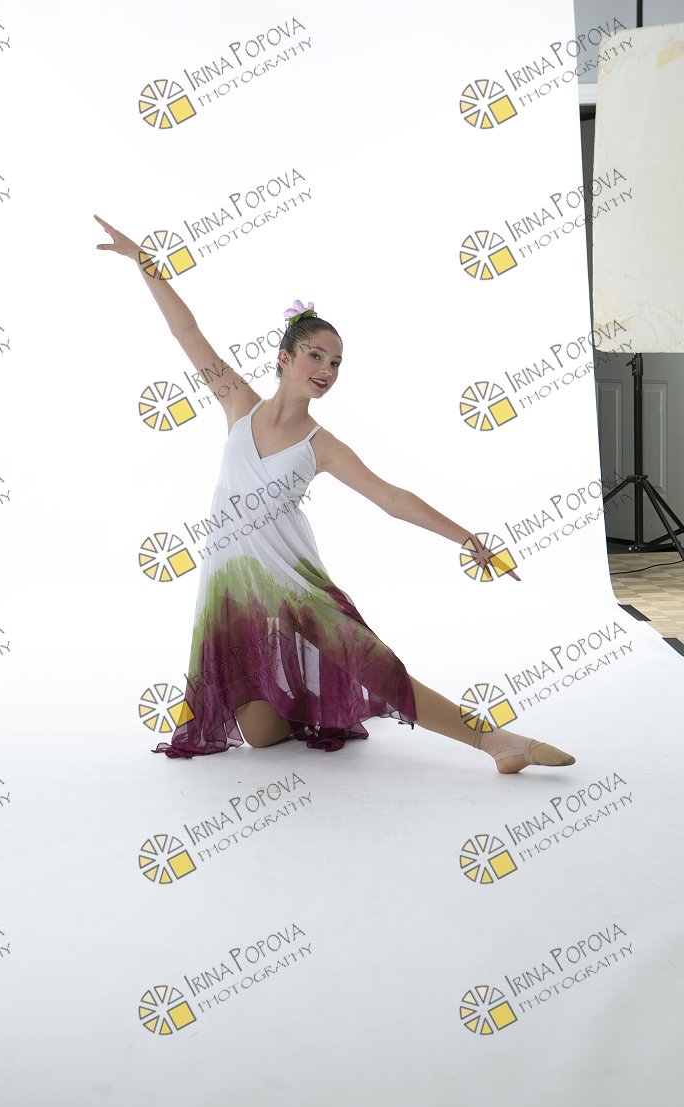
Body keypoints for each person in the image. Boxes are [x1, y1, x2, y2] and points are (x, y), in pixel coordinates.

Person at [95, 214, 575, 774]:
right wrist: (143, 262)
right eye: (317, 356)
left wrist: (467, 537)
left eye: (336, 363)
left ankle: (496, 741)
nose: (327, 369)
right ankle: (325, 697)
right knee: (262, 736)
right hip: (235, 592)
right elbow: (187, 332)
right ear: (285, 357)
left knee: (376, 665)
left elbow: (391, 498)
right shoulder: (238, 406)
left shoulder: (320, 445)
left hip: (295, 585)